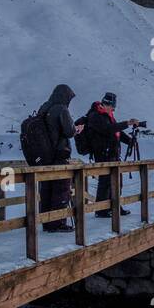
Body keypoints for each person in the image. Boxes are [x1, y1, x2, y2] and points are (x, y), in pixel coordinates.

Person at [83, 92, 143, 218]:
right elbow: (108, 129)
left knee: (116, 181)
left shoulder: (107, 116)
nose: (114, 109)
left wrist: (130, 140)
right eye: (113, 106)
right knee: (105, 182)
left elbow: (116, 132)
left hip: (112, 153)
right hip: (103, 153)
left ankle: (115, 206)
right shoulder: (95, 116)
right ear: (107, 104)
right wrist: (127, 123)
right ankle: (101, 210)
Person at [36, 84, 79, 232]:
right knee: (61, 189)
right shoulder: (61, 109)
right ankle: (58, 223)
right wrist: (76, 129)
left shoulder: (44, 107)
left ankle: (46, 223)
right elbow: (69, 131)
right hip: (59, 155)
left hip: (45, 156)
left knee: (46, 190)